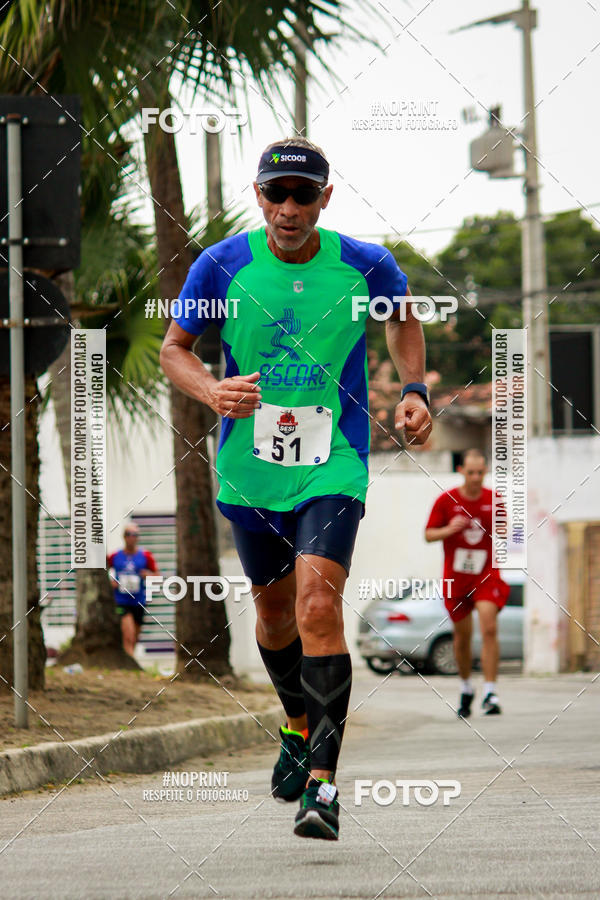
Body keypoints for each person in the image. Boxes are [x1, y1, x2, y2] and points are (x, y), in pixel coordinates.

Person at [160, 136, 432, 840]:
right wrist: (212, 390)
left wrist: (412, 390)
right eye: (275, 193)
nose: (288, 207)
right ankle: (294, 723)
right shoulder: (221, 266)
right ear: (258, 196)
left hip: (333, 461)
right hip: (250, 468)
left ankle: (323, 785)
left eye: (302, 194)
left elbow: (404, 317)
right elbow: (174, 350)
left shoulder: (365, 264)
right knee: (275, 613)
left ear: (325, 199)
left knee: (317, 603)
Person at [425, 448, 510, 718]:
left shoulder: (493, 499)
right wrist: (449, 530)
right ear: (461, 471)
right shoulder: (446, 500)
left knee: (489, 627)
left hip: (486, 575)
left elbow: (507, 530)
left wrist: (502, 529)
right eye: (471, 472)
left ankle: (490, 691)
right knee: (462, 637)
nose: (476, 477)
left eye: (480, 472)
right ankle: (466, 687)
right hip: (456, 578)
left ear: (485, 472)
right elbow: (428, 534)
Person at [107, 522, 159, 657]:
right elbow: (102, 573)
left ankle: (129, 659)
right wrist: (111, 583)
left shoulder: (145, 556)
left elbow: (158, 576)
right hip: (121, 600)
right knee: (128, 633)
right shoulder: (115, 556)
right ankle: (130, 659)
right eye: (128, 534)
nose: (132, 537)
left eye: (135, 534)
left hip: (139, 600)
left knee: (135, 635)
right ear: (124, 537)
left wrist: (148, 575)